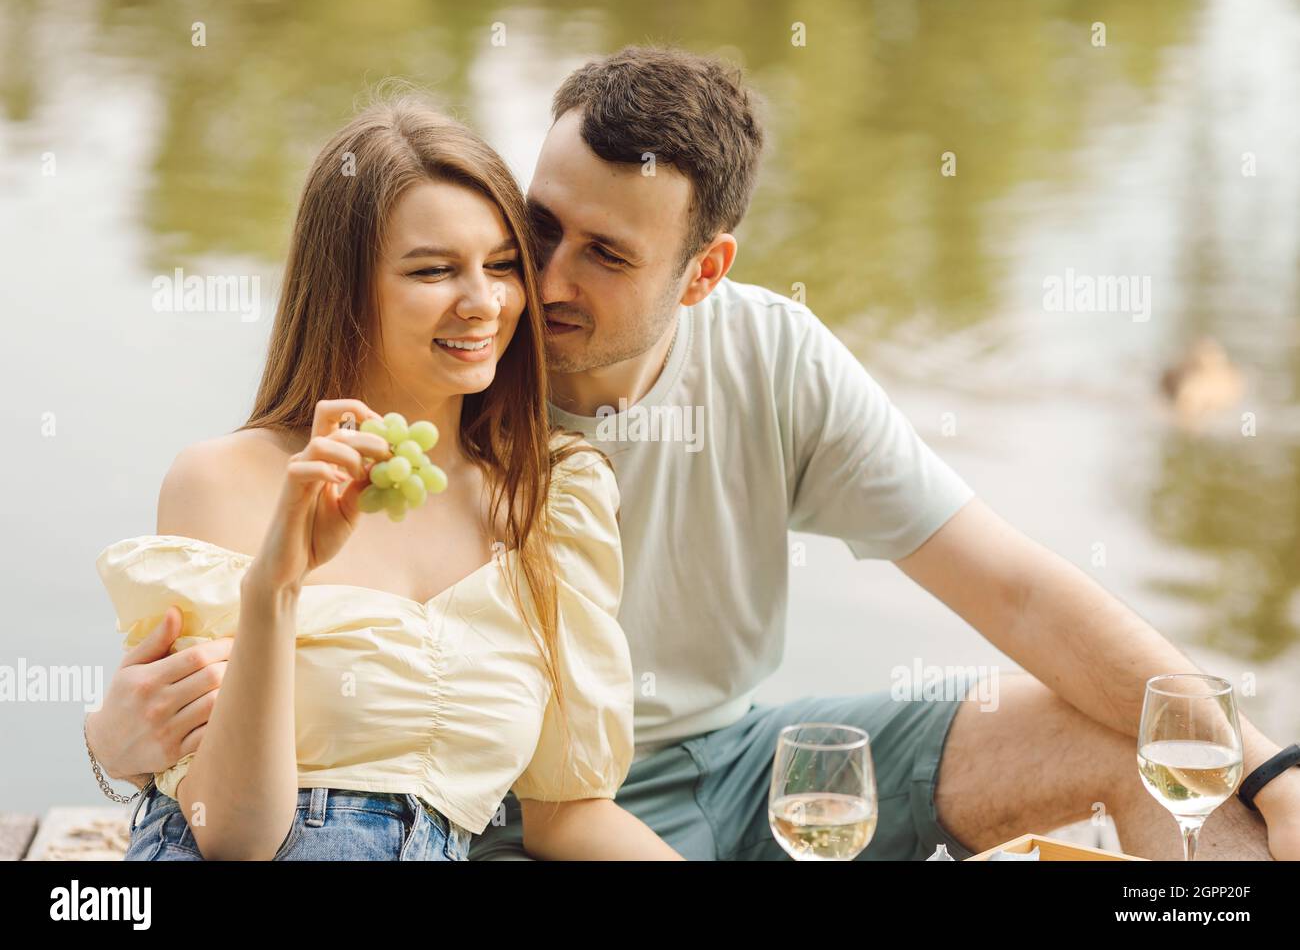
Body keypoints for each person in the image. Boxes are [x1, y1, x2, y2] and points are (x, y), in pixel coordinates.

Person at [89, 47, 1300, 861]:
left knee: (1144, 753)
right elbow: (258, 622)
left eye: (602, 257)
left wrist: (1263, 764)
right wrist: (113, 738)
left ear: (703, 272)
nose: (532, 290)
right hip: (510, 814)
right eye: (537, 228)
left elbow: (1019, 588)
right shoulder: (447, 390)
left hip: (735, 754)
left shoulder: (769, 355)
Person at [93, 94, 682, 861]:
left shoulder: (552, 499)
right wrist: (275, 586)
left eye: (503, 266)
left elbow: (571, 812)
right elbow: (231, 834)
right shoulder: (225, 480)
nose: (484, 303)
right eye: (434, 270)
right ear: (346, 288)